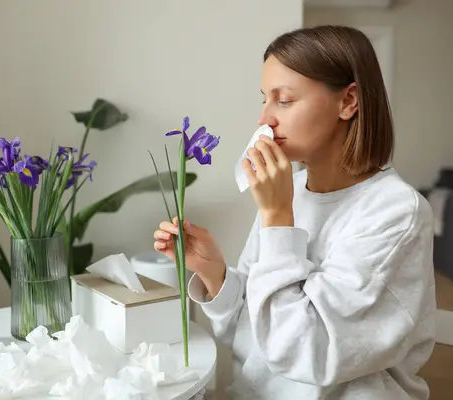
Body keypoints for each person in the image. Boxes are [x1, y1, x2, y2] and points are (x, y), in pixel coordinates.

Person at [153, 25, 436, 399]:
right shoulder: (290, 195)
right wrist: (215, 273)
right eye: (264, 99)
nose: (264, 119)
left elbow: (304, 352)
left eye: (284, 100)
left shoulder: (396, 213)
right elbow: (260, 332)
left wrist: (276, 218)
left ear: (348, 101)